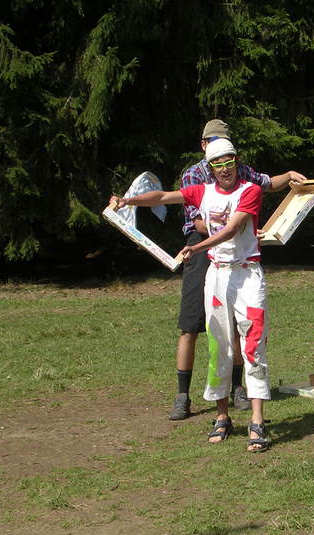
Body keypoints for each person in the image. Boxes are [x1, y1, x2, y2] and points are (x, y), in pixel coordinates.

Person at [112, 138, 275, 451]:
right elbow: (163, 196)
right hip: (217, 276)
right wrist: (127, 201)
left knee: (253, 346)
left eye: (229, 162)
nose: (225, 169)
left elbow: (232, 229)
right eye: (218, 164)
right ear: (210, 167)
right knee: (219, 345)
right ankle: (222, 416)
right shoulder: (202, 191)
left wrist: (196, 247)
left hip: (247, 276)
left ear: (237, 161)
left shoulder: (250, 190)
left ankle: (257, 421)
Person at [171, 119, 306, 420]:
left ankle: (237, 388)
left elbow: (266, 183)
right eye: (213, 142)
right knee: (192, 323)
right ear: (204, 145)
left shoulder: (240, 170)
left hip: (238, 255)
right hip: (202, 245)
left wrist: (289, 176)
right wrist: (234, 226)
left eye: (225, 143)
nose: (223, 162)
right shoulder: (193, 175)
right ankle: (182, 395)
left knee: (236, 326)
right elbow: (198, 222)